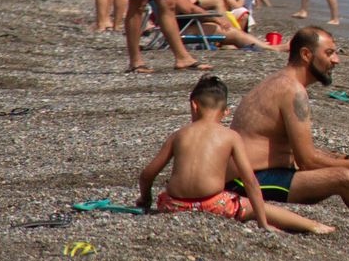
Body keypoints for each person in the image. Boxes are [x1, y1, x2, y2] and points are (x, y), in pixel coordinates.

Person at [228, 28, 349, 225]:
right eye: (329, 53)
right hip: (246, 182)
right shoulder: (292, 90)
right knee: (344, 178)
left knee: (341, 168)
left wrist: (342, 158)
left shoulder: (281, 82)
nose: (336, 60)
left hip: (254, 175)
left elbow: (296, 151)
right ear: (306, 55)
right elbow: (307, 161)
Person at [137, 75, 333, 234]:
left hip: (174, 205)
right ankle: (312, 226)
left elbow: (147, 174)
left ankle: (310, 226)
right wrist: (262, 223)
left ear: (194, 106)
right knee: (250, 205)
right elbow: (250, 182)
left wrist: (145, 199)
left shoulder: (179, 135)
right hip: (213, 204)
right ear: (226, 112)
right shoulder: (230, 136)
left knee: (166, 193)